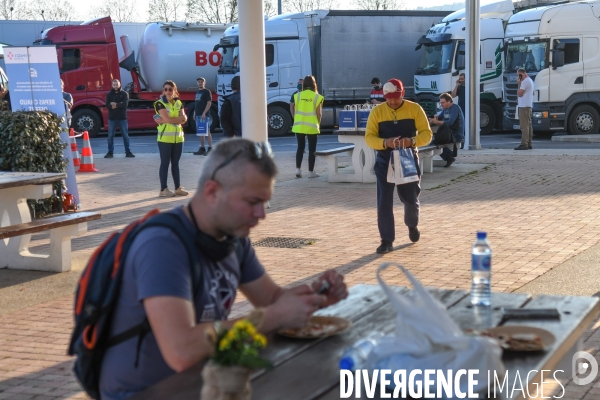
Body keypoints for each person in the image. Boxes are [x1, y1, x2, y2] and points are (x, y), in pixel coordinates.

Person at [98, 138, 348, 400]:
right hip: (141, 393)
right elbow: (181, 350)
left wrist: (315, 296)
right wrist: (272, 317)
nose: (262, 214)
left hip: (201, 383)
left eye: (265, 202)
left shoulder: (232, 238)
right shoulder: (163, 244)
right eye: (252, 202)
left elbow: (271, 299)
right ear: (212, 192)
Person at [365, 78, 432, 253]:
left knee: (410, 198)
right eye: (389, 98)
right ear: (384, 96)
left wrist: (412, 141)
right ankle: (386, 240)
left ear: (403, 94)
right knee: (384, 201)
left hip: (407, 157)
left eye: (396, 97)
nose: (393, 101)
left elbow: (427, 133)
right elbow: (369, 137)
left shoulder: (415, 109)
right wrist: (385, 142)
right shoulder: (377, 112)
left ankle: (412, 224)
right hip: (385, 159)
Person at [154, 80, 189, 198]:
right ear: (163, 91)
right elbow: (171, 119)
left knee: (176, 163)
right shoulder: (160, 103)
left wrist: (170, 119)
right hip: (164, 139)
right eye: (166, 89)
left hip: (178, 138)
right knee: (165, 163)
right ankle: (163, 189)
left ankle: (177, 188)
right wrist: (177, 119)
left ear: (174, 90)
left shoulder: (178, 102)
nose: (168, 91)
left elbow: (185, 119)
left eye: (170, 89)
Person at [291, 75, 324, 178]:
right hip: (312, 126)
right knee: (312, 150)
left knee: (300, 148)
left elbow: (293, 107)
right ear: (314, 84)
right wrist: (318, 124)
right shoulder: (317, 96)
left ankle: (297, 170)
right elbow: (319, 113)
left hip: (299, 126)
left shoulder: (298, 95)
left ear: (304, 84)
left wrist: (295, 118)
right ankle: (310, 172)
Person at [428, 93, 464, 168]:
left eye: (443, 102)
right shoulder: (445, 109)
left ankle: (449, 157)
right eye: (440, 102)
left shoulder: (455, 108)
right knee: (434, 141)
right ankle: (449, 157)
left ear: (449, 101)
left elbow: (450, 122)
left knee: (435, 142)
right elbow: (439, 117)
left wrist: (436, 122)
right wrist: (432, 119)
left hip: (456, 134)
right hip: (448, 133)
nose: (441, 104)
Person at [105, 79, 134, 158]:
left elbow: (125, 105)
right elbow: (107, 105)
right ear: (112, 85)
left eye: (116, 84)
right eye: (114, 85)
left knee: (125, 136)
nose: (115, 86)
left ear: (120, 84)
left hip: (122, 118)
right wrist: (118, 104)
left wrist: (115, 104)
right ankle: (110, 152)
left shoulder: (124, 94)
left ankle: (128, 152)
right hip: (112, 118)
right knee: (110, 136)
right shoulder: (109, 95)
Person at [514, 68, 534, 150]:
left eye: (518, 75)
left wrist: (519, 84)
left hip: (524, 106)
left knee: (524, 125)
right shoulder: (530, 81)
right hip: (528, 105)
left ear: (521, 74)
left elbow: (520, 93)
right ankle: (529, 142)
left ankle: (524, 144)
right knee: (528, 125)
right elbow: (532, 93)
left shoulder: (524, 82)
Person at [192, 77, 213, 156]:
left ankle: (210, 148)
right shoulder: (197, 92)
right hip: (198, 115)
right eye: (199, 82)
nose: (200, 83)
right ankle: (202, 148)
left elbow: (209, 103)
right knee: (201, 133)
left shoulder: (206, 92)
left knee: (207, 132)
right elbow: (196, 103)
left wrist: (204, 113)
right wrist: (194, 113)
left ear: (204, 83)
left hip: (204, 115)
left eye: (201, 82)